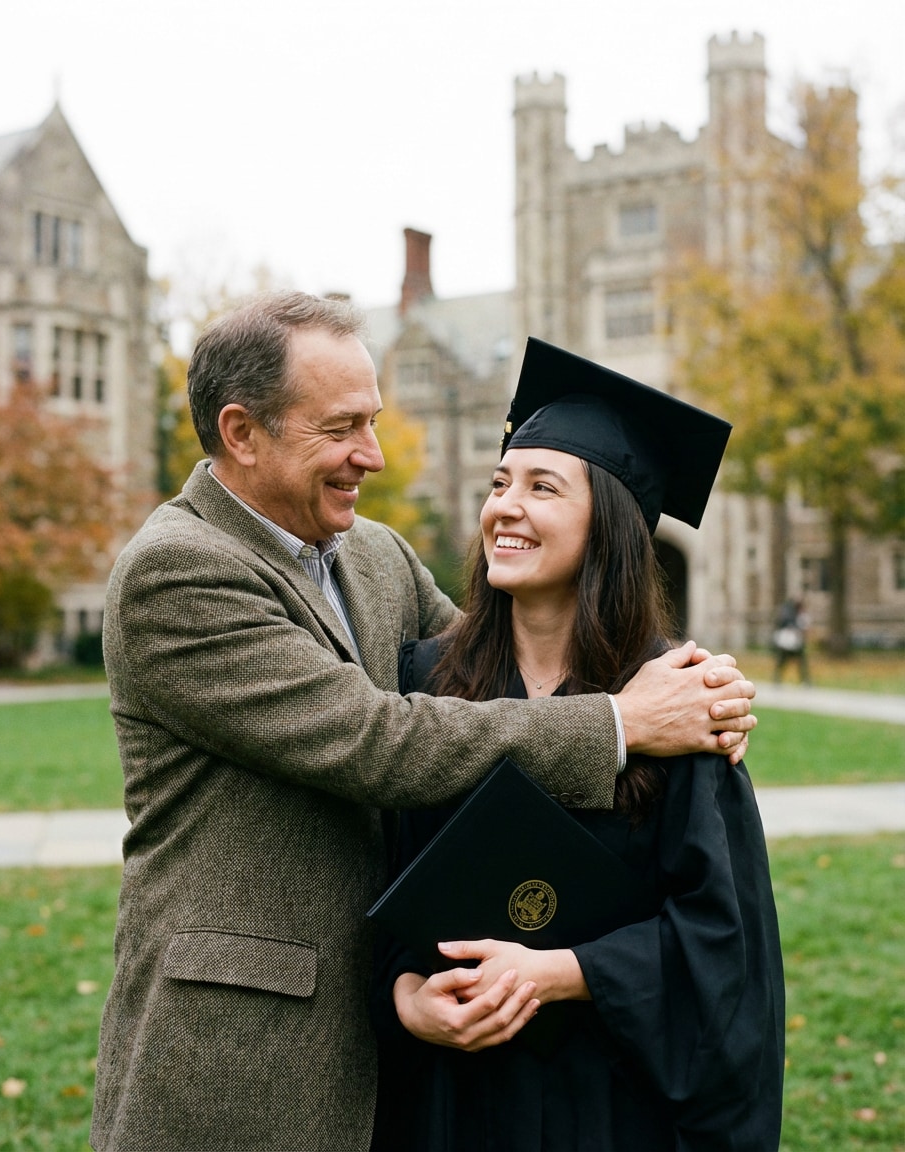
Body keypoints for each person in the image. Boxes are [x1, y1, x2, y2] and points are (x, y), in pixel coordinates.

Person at [90, 294, 758, 1152]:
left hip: (407, 1048)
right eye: (341, 428)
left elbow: (490, 676)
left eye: (371, 422)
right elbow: (380, 740)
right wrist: (622, 723)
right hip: (242, 1046)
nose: (371, 454)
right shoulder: (177, 572)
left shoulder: (375, 556)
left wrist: (697, 690)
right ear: (243, 432)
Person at [372, 339, 784, 1151]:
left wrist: (563, 973)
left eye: (543, 487)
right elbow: (379, 883)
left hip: (608, 1101)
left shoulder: (677, 702)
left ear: (609, 525)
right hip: (454, 1098)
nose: (506, 507)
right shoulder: (425, 680)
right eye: (500, 484)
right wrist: (405, 992)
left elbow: (722, 945)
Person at [773, 597, 812, 684]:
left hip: (795, 644)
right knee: (784, 661)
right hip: (789, 644)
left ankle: (805, 680)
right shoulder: (792, 616)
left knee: (800, 662)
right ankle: (777, 678)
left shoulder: (799, 616)